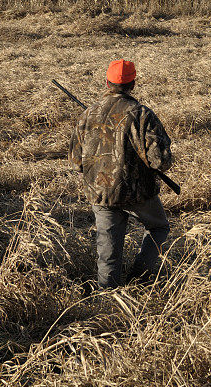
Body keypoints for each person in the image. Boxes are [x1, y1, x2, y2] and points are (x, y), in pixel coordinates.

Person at [68, 59, 172, 289]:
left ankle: (108, 299)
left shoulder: (88, 114)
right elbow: (161, 161)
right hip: (138, 193)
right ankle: (140, 278)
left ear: (107, 82)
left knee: (108, 253)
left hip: (101, 194)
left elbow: (76, 161)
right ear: (133, 84)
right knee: (159, 228)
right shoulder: (142, 114)